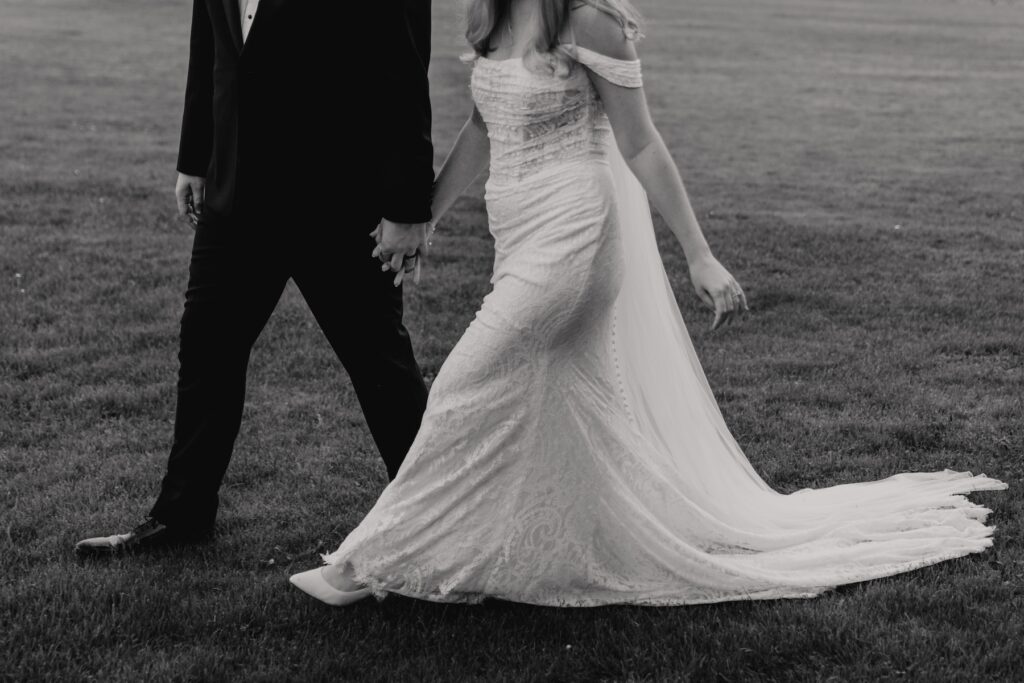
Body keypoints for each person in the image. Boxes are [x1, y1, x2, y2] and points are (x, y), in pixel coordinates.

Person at [289, 0, 1007, 607]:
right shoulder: (491, 14)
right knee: (559, 407)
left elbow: (643, 146)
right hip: (517, 236)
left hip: (574, 234)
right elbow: (482, 130)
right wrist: (431, 215)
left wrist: (698, 253)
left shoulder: (592, 24)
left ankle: (368, 563)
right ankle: (505, 543)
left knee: (460, 388)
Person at [75, 1, 436, 553]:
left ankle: (439, 517)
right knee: (206, 350)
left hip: (337, 198)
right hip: (236, 194)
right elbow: (212, 47)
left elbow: (404, 66)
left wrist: (406, 205)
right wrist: (196, 157)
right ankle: (183, 519)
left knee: (378, 362)